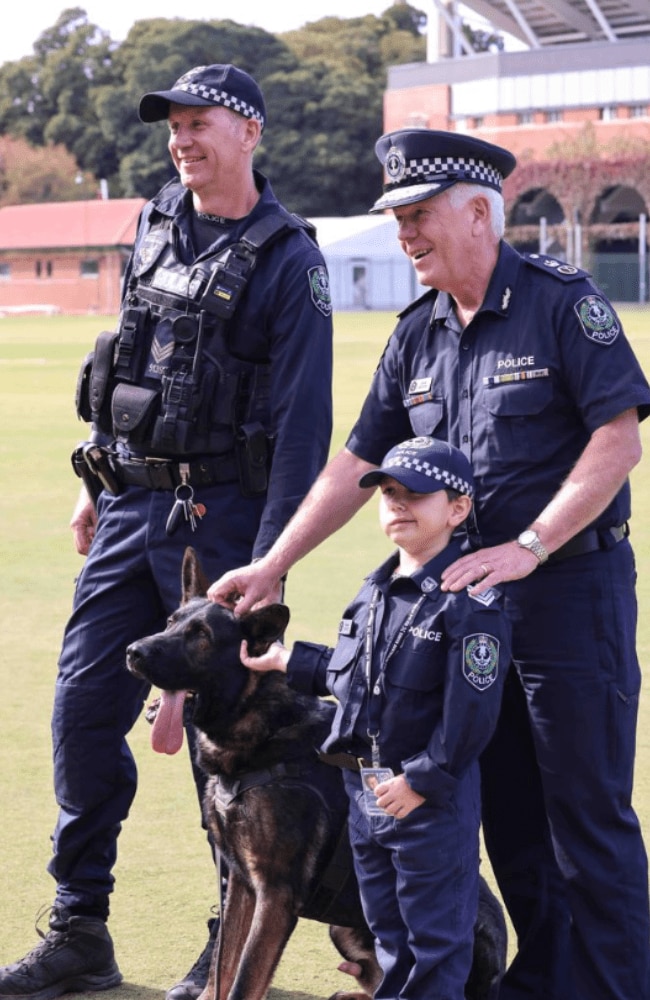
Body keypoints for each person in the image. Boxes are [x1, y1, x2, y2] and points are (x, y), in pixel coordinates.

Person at [209, 128, 650, 1000]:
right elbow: (354, 461)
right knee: (513, 820)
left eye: (417, 217)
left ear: (479, 211)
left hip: (566, 595)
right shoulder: (415, 334)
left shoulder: (562, 305)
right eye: (397, 219)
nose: (404, 236)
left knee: (586, 820)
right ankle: (555, 979)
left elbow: (617, 439)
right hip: (459, 616)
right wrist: (272, 564)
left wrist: (529, 547)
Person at [0, 63, 333, 1000]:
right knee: (81, 710)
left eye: (201, 123)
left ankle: (225, 939)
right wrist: (90, 477)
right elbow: (125, 360)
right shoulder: (153, 222)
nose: (183, 139)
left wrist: (272, 564)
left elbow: (305, 429)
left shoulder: (289, 261)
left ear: (250, 132)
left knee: (221, 742)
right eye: (175, 125)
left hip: (224, 522)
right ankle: (80, 929)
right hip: (128, 505)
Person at [239, 436, 511, 999]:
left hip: (426, 800)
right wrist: (291, 660)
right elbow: (356, 674)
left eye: (416, 494)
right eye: (388, 493)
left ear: (457, 508)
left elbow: (472, 712)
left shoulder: (467, 601)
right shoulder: (375, 589)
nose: (398, 504)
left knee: (433, 942)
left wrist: (422, 781)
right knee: (388, 935)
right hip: (364, 793)